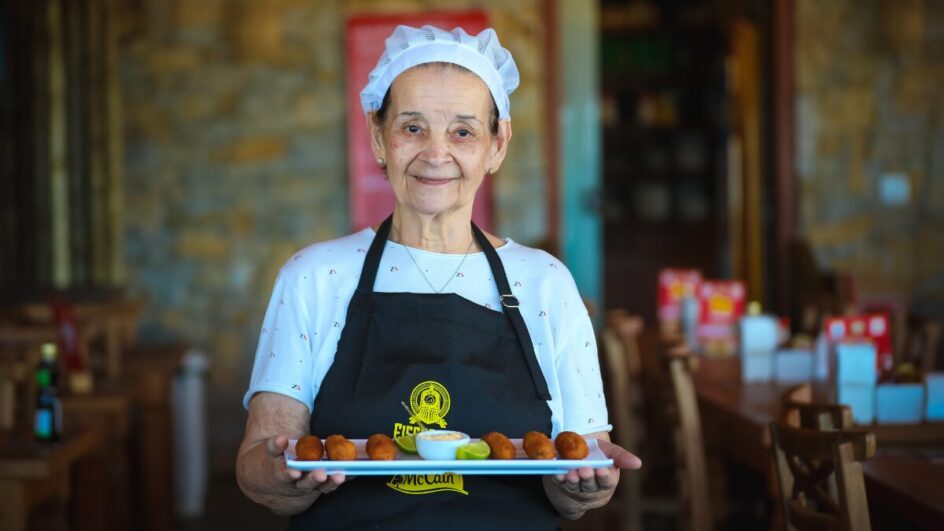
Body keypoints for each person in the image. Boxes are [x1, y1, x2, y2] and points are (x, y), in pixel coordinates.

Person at [236, 24, 641, 529]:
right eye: (412, 127)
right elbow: (256, 466)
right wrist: (282, 479)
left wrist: (581, 489)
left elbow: (586, 463)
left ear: (498, 145)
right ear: (377, 137)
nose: (435, 152)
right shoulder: (314, 277)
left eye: (463, 131)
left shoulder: (545, 284)